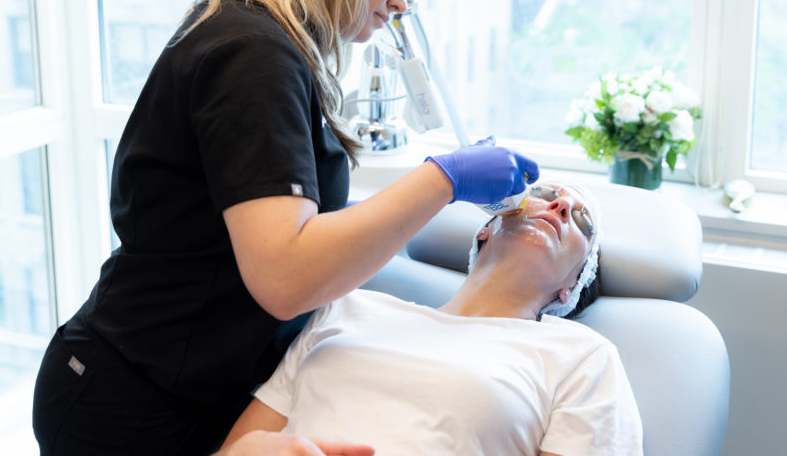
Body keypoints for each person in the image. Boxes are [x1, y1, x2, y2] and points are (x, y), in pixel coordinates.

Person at [31, 0, 538, 455]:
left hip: (181, 385)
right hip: (131, 397)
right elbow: (286, 274)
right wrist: (443, 179)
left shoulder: (256, 39)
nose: (403, 0)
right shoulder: (252, 53)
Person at [220, 182, 644, 456]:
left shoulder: (580, 356)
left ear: (571, 286)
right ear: (485, 230)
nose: (561, 206)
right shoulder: (348, 307)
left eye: (582, 220)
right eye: (543, 192)